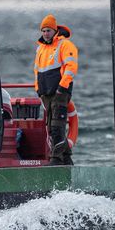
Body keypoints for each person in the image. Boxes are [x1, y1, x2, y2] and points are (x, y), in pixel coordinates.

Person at [33, 15, 79, 165]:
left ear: (55, 30)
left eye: (48, 30)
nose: (46, 33)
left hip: (60, 92)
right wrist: (38, 89)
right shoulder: (40, 49)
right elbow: (36, 70)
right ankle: (66, 157)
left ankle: (56, 159)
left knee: (57, 125)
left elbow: (71, 67)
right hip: (45, 93)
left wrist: (62, 88)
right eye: (44, 30)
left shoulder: (65, 45)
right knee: (50, 126)